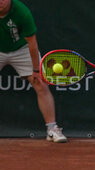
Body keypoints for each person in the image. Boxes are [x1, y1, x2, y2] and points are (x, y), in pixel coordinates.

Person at [0, 0, 67, 142]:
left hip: (21, 49)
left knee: (41, 83)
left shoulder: (22, 12)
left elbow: (32, 43)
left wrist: (36, 70)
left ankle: (52, 129)